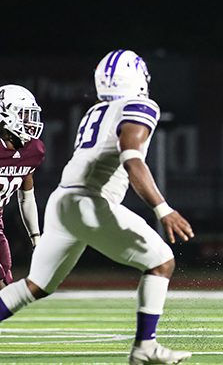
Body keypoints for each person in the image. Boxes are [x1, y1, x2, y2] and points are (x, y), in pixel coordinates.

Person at [0, 50, 194, 365]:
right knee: (162, 262)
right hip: (88, 201)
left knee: (34, 286)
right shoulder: (140, 106)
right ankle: (145, 347)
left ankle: (146, 347)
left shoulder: (96, 112)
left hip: (62, 201)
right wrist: (163, 209)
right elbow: (131, 159)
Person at [0, 85, 45, 289]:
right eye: (24, 115)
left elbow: (26, 197)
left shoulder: (32, 150)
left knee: (5, 284)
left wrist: (36, 238)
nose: (30, 121)